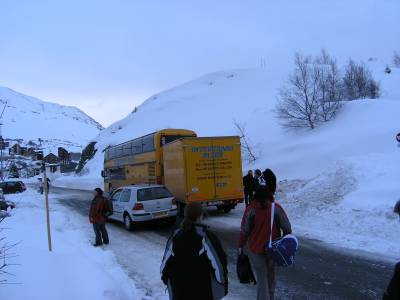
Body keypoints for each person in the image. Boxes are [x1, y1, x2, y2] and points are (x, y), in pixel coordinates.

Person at [161, 202, 228, 300]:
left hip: (179, 293)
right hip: (202, 292)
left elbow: (164, 267)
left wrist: (168, 279)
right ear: (200, 216)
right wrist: (223, 284)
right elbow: (219, 266)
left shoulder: (175, 237)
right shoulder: (206, 237)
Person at [238, 186, 292, 300]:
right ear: (269, 196)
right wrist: (285, 243)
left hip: (255, 249)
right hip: (274, 249)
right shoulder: (276, 208)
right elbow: (287, 227)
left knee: (262, 278)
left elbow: (244, 230)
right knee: (271, 277)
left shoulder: (251, 209)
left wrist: (241, 245)